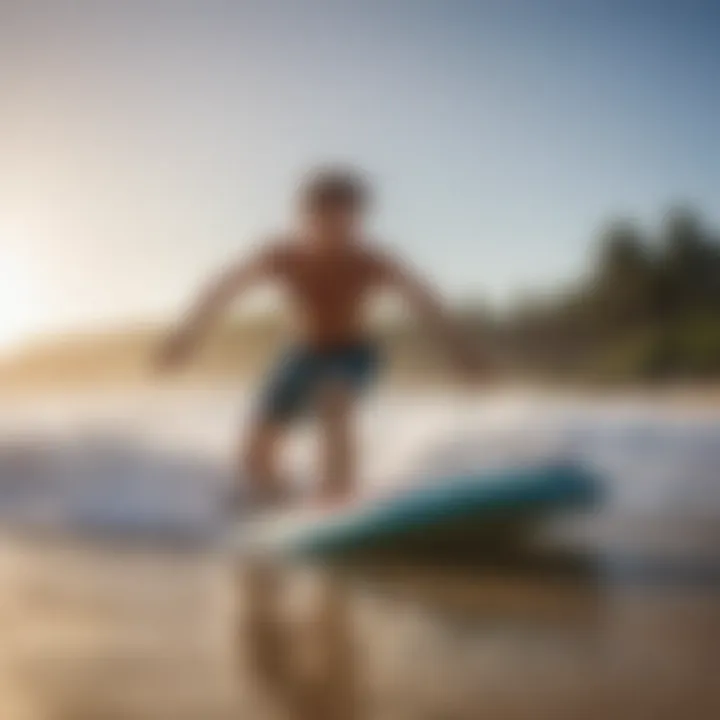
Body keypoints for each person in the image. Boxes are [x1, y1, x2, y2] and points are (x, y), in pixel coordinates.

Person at [157, 166, 488, 511]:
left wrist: (463, 352)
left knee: (334, 399)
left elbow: (426, 301)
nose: (336, 232)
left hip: (352, 354)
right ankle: (277, 506)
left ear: (358, 220)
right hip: (299, 355)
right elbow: (222, 288)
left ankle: (338, 500)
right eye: (325, 220)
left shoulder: (372, 261)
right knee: (255, 455)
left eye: (347, 221)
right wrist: (186, 337)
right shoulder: (281, 256)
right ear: (305, 218)